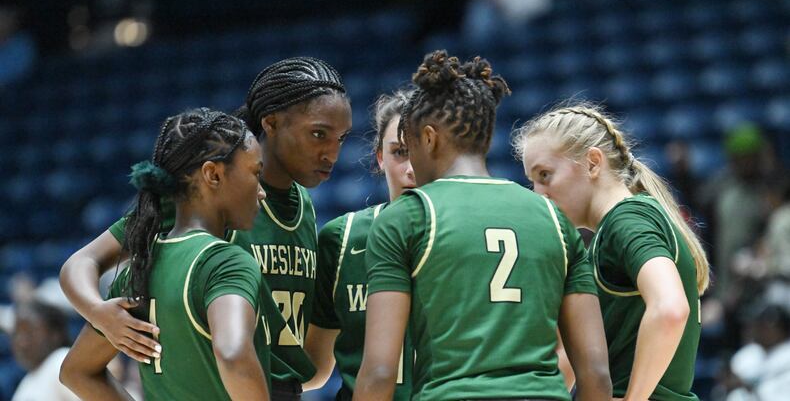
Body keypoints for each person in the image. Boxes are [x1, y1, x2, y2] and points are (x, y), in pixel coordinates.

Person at [59, 57, 352, 400]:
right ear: (271, 123)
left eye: (342, 138)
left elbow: (306, 365)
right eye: (319, 134)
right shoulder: (202, 199)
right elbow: (81, 262)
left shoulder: (305, 207)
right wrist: (98, 312)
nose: (332, 152)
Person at [355, 51, 611, 400]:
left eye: (409, 146)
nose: (411, 165)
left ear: (428, 138)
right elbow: (596, 373)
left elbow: (381, 372)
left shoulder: (406, 216)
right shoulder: (554, 220)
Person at [59, 108, 271, 400]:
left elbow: (76, 371)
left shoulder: (137, 271)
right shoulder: (225, 262)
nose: (262, 191)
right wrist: (97, 312)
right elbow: (233, 356)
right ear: (212, 174)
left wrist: (99, 313)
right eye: (255, 173)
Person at [514, 101, 711, 400]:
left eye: (544, 175)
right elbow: (569, 359)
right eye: (532, 182)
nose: (538, 194)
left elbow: (670, 309)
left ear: (593, 162)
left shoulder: (625, 219)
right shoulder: (616, 228)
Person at [304, 89, 416, 399]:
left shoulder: (473, 236)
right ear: (380, 157)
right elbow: (314, 368)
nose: (411, 169)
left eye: (423, 152)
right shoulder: (342, 238)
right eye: (400, 152)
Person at [11, 301, 79, 401]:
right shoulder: (27, 380)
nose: (21, 342)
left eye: (30, 332)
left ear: (55, 335)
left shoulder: (61, 362)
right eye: (17, 333)